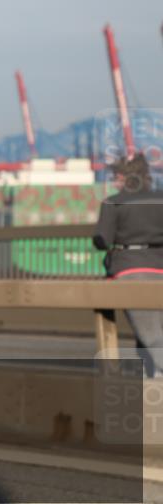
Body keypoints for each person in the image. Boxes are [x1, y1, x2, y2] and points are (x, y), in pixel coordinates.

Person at [93, 152, 163, 377]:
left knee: (151, 336)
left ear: (124, 177)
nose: (114, 181)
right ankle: (151, 389)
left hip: (130, 270)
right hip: (160, 268)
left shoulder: (113, 202)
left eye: (115, 176)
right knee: (150, 337)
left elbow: (102, 239)